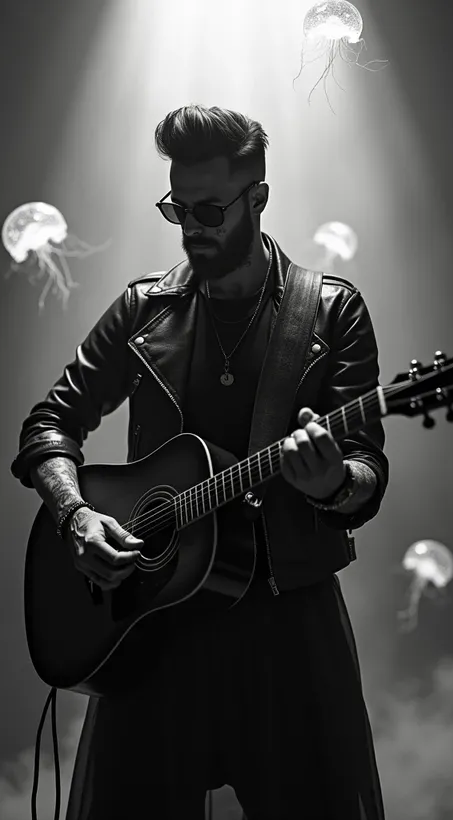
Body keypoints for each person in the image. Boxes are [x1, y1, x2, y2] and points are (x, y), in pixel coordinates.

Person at [11, 105, 389, 820]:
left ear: (259, 198)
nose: (192, 227)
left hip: (288, 627)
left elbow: (367, 469)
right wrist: (75, 515)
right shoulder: (143, 308)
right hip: (154, 625)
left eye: (211, 209)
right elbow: (50, 424)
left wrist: (334, 482)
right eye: (177, 208)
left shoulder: (332, 312)